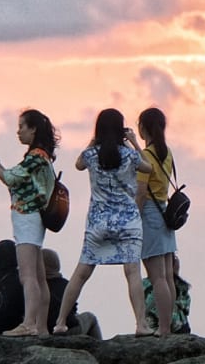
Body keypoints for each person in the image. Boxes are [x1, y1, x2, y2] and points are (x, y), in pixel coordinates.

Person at [53, 108, 154, 337]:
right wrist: (134, 143)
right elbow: (148, 167)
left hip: (98, 222)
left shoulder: (91, 155)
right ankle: (141, 324)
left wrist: (92, 142)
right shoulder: (129, 155)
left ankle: (60, 322)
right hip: (128, 221)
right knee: (132, 273)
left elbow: (78, 164)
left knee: (81, 274)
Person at [0, 110, 58, 336]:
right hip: (35, 219)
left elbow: (9, 178)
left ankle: (29, 323)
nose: (18, 131)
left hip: (27, 218)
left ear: (33, 129)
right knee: (39, 276)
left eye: (22, 126)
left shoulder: (35, 157)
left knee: (27, 275)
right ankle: (40, 327)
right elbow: (13, 177)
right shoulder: (43, 156)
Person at [135, 107, 177, 337]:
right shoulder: (166, 152)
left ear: (144, 127)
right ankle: (167, 327)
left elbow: (141, 192)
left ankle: (162, 329)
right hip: (164, 212)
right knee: (167, 276)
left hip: (150, 213)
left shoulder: (146, 156)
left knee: (157, 277)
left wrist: (133, 217)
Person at [42, 248, 102, 339]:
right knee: (90, 317)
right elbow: (72, 308)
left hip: (43, 329)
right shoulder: (66, 285)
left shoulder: (32, 287)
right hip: (67, 329)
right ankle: (99, 347)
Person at [143, 254, 192, 334]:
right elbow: (185, 307)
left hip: (151, 325)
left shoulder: (144, 284)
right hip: (178, 324)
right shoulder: (180, 284)